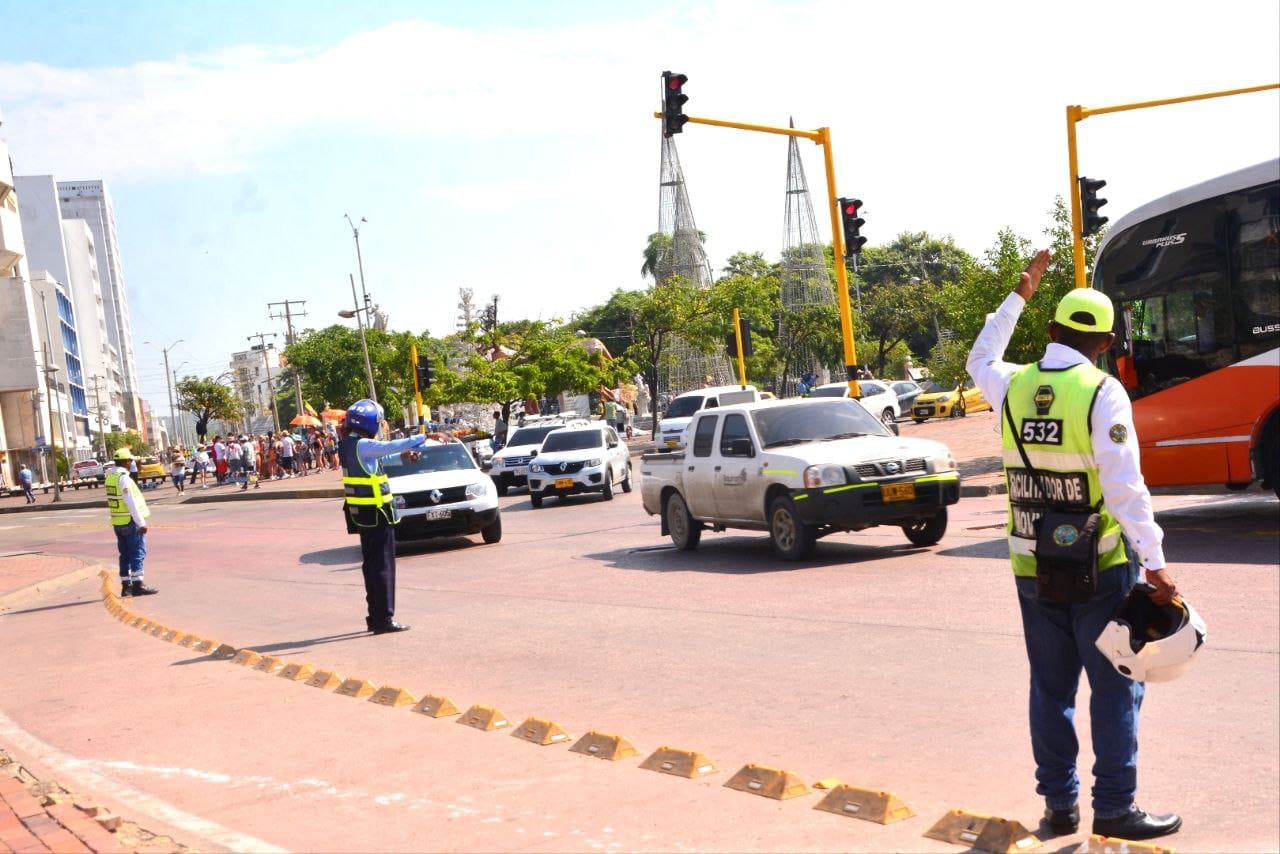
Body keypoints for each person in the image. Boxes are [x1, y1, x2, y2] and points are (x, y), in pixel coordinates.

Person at [966, 249, 1181, 842]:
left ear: (1053, 331)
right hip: (1101, 566)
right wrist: (1157, 566)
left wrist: (1018, 296)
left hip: (1031, 563)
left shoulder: (1011, 384)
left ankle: (1058, 807)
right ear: (1107, 341)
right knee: (1115, 684)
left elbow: (979, 358)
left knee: (1051, 688)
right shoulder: (1102, 392)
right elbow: (1124, 488)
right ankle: (1114, 807)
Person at [339, 398, 434, 634]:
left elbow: (378, 457)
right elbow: (388, 447)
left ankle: (375, 616)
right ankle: (383, 619)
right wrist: (423, 438)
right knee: (383, 567)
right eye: (379, 423)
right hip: (377, 514)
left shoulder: (349, 444)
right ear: (371, 422)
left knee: (372, 567)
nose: (380, 427)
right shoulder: (363, 444)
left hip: (363, 516)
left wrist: (402, 457)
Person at [105, 448, 158, 597]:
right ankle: (137, 585)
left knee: (125, 554)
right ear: (126, 461)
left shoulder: (110, 477)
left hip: (117, 522)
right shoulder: (123, 478)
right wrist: (141, 522)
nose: (131, 463)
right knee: (137, 552)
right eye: (130, 460)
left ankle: (126, 585)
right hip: (130, 521)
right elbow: (130, 501)